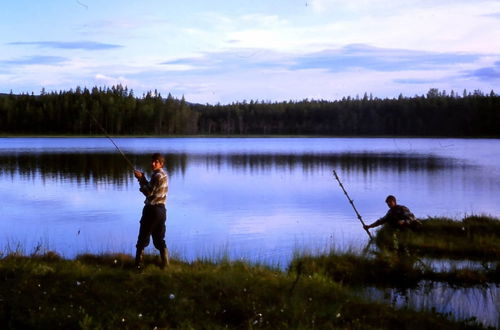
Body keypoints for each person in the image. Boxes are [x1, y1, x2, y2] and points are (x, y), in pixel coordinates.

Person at [133, 153, 169, 269]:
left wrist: (140, 179)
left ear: (161, 164)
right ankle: (165, 266)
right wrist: (143, 179)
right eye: (153, 161)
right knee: (159, 239)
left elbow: (148, 192)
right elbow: (151, 188)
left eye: (156, 162)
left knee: (142, 238)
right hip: (162, 211)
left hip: (152, 211)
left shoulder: (157, 175)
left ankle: (137, 266)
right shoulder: (163, 175)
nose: (153, 163)